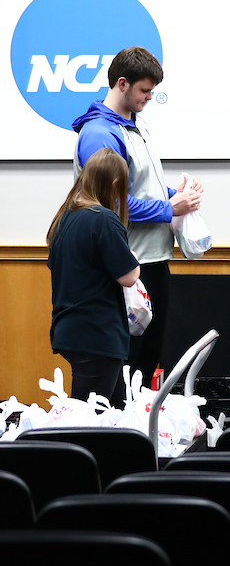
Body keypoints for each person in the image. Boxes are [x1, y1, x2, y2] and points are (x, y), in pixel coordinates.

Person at [72, 47, 201, 398]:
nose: (148, 98)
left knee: (145, 364)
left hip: (152, 260)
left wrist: (177, 195)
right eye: (144, 91)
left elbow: (142, 186)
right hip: (127, 264)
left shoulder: (134, 127)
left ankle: (135, 441)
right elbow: (111, 203)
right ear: (122, 83)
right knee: (126, 368)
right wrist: (169, 209)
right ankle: (115, 443)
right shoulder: (100, 134)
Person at [47, 148, 141, 402]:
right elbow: (129, 276)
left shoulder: (65, 217)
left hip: (70, 329)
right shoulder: (104, 219)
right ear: (114, 185)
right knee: (88, 422)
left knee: (116, 408)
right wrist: (134, 258)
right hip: (96, 334)